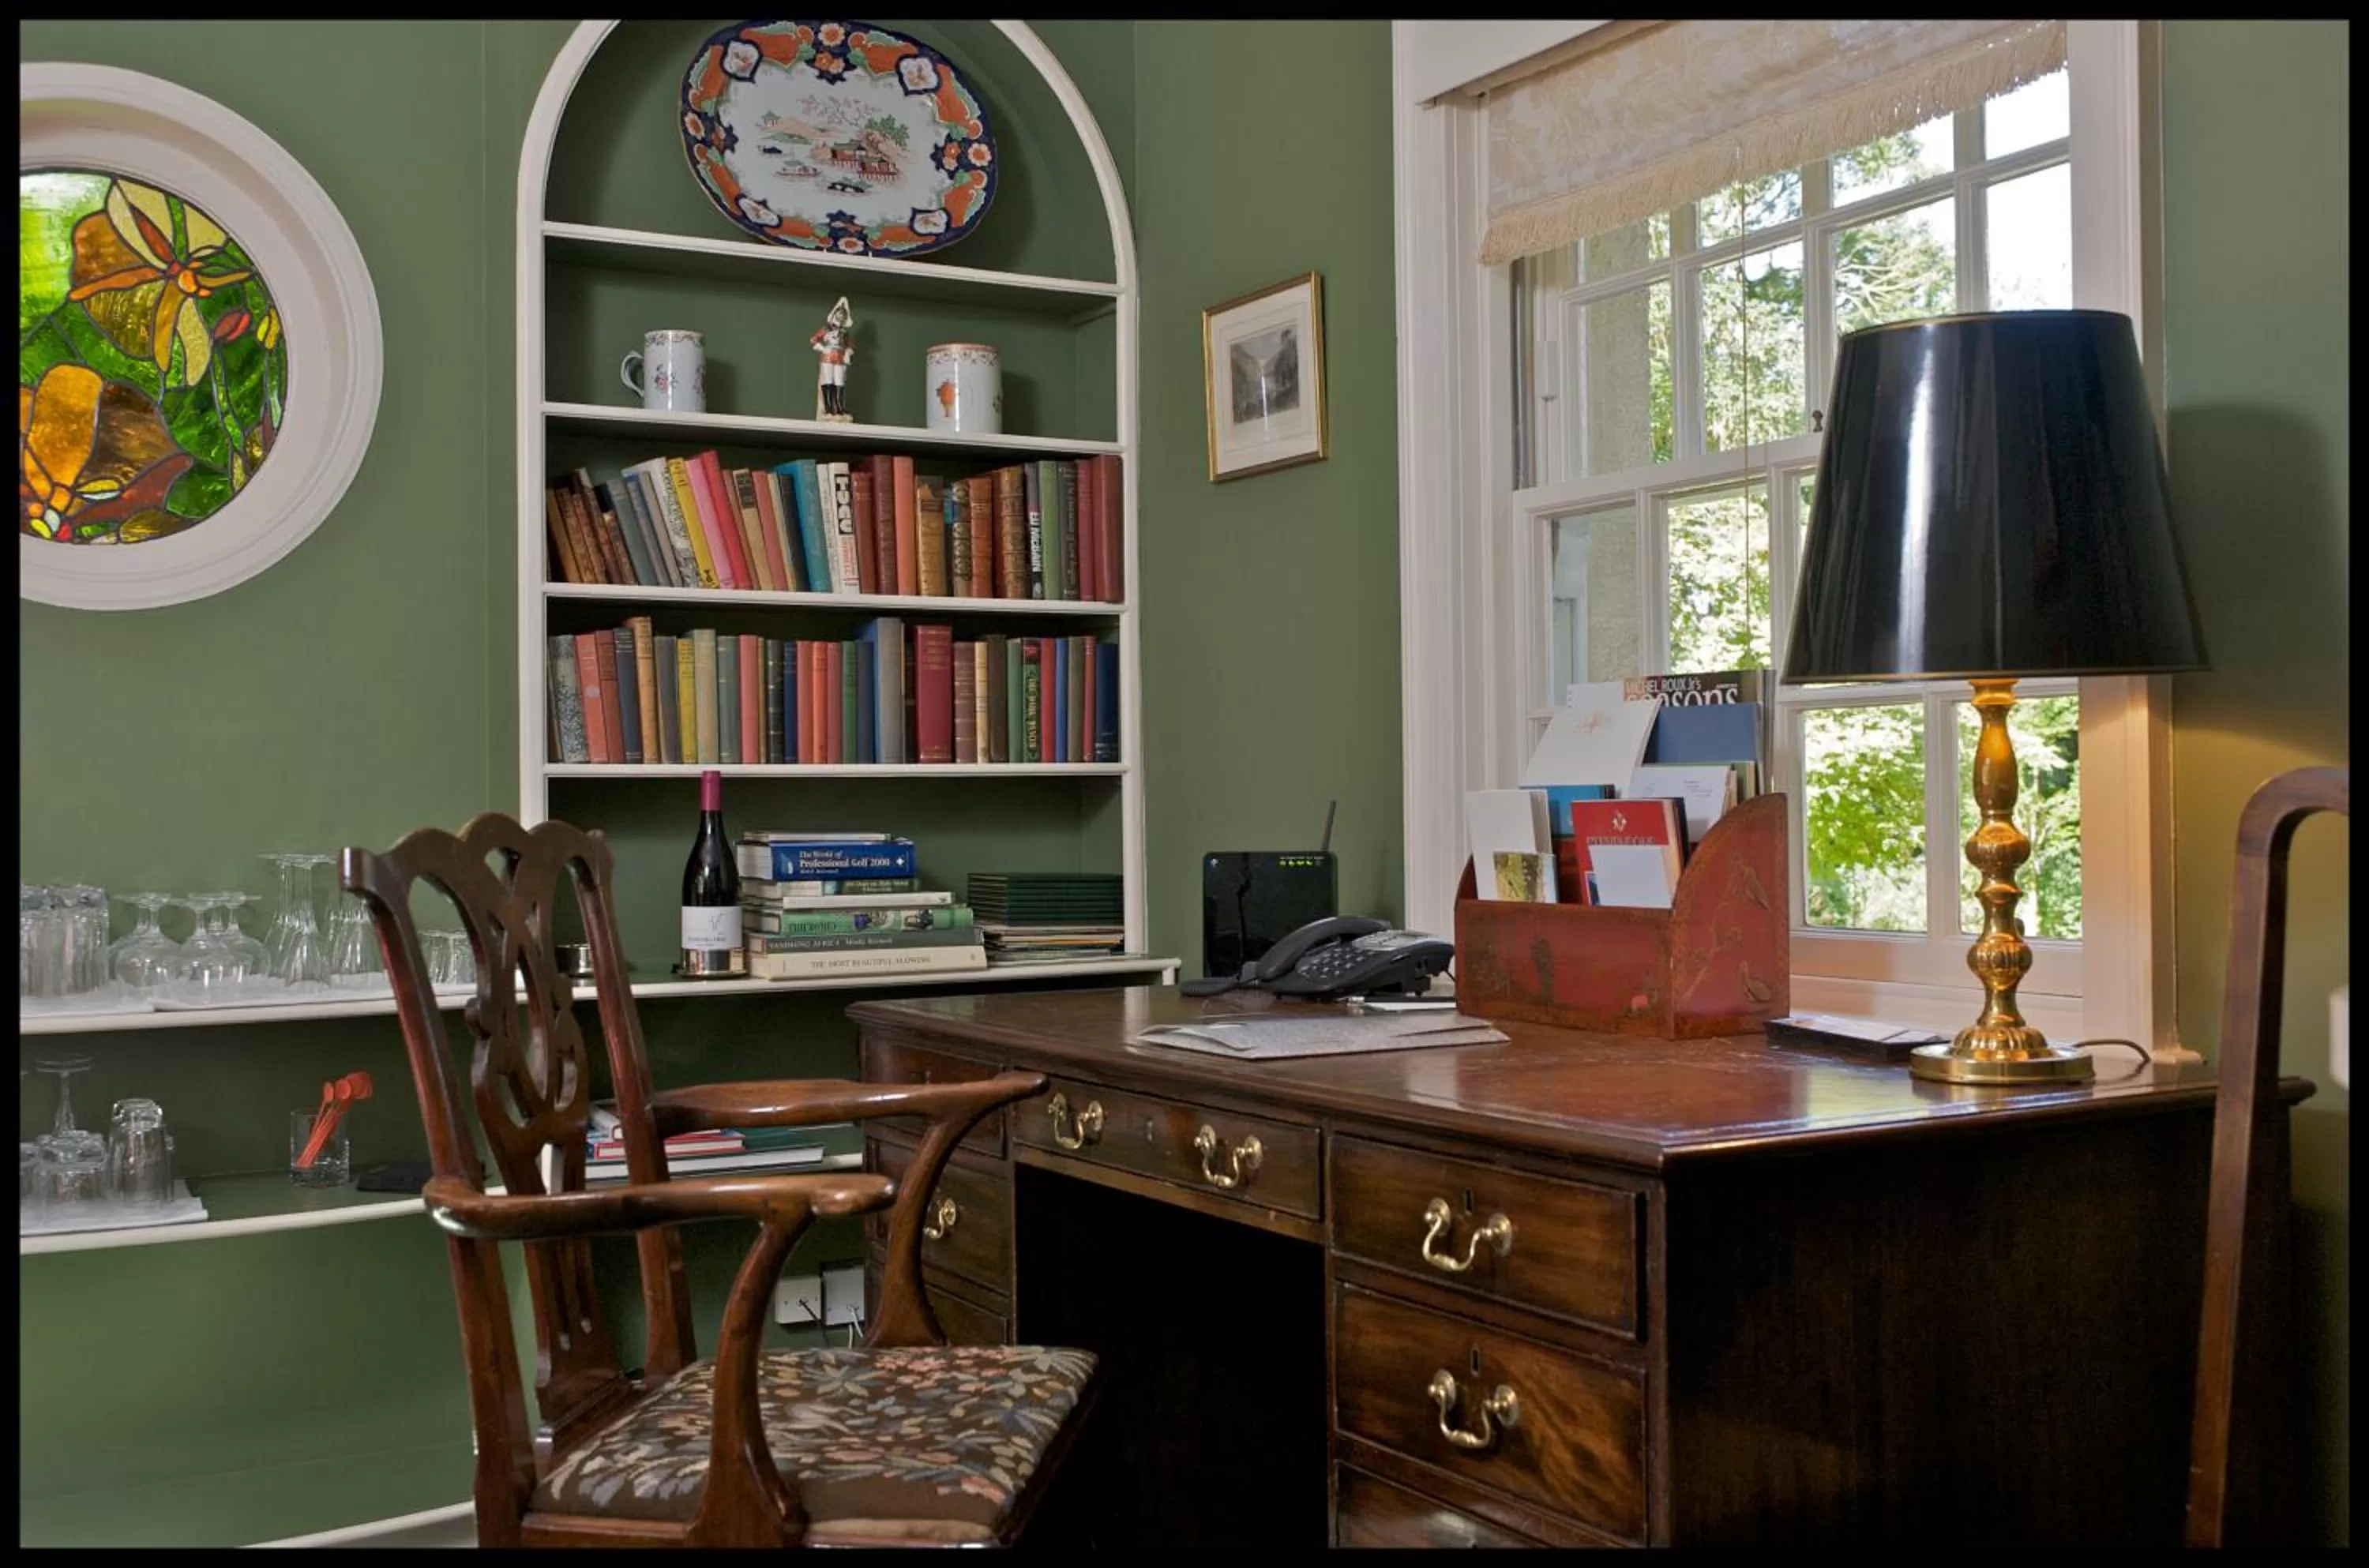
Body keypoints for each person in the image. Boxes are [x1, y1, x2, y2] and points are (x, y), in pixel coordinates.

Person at [812, 296, 855, 422]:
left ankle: (839, 408)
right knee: (828, 381)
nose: (840, 317)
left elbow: (850, 346)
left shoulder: (844, 333)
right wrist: (823, 348)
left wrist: (848, 353)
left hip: (840, 360)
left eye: (843, 315)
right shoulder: (826, 329)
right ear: (835, 314)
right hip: (827, 358)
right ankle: (828, 408)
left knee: (839, 383)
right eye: (839, 314)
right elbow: (814, 340)